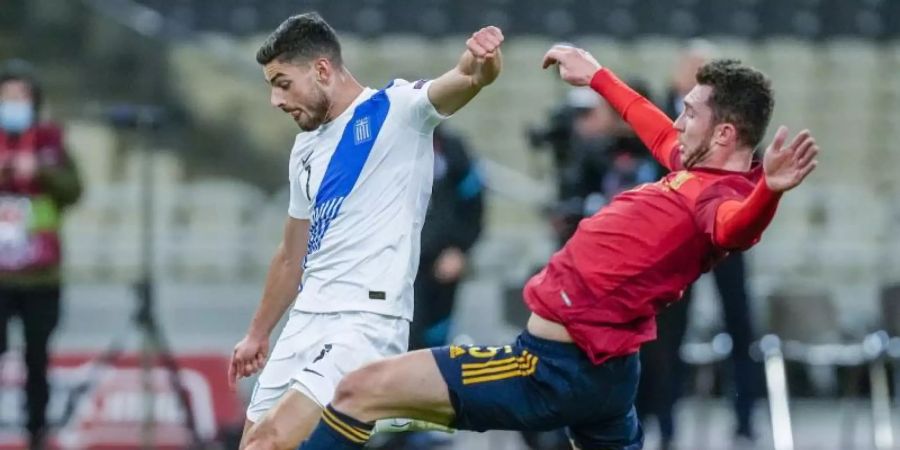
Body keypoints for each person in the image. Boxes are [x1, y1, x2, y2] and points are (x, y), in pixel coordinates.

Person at [295, 44, 819, 450]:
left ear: (724, 132)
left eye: (689, 113)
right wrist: (595, 74)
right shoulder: (695, 168)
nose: (677, 121)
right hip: (607, 373)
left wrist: (769, 192)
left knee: (358, 392)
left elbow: (734, 229)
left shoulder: (724, 199)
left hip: (547, 368)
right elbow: (654, 128)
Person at [227, 12, 504, 450]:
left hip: (364, 322)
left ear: (321, 69)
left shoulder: (397, 110)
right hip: (305, 321)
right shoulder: (304, 150)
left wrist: (484, 63)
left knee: (272, 443)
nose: (276, 101)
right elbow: (290, 255)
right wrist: (258, 333)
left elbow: (465, 80)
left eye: (282, 83)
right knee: (252, 444)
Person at [636, 41, 760, 448]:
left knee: (740, 325)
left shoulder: (733, 117)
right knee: (668, 336)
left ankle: (744, 422)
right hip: (677, 240)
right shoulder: (662, 116)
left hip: (723, 232)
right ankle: (666, 426)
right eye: (691, 67)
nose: (697, 74)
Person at [0, 60, 82, 450]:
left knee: (37, 360)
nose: (14, 103)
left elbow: (74, 190)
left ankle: (36, 434)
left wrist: (42, 173)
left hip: (39, 274)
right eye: (7, 96)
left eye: (21, 96)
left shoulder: (51, 142)